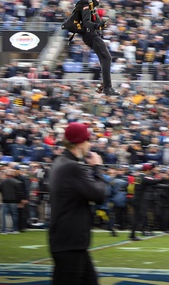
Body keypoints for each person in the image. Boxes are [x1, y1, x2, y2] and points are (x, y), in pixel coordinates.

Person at [48, 122, 108, 285]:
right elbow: (99, 194)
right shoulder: (72, 167)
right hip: (70, 240)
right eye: (88, 140)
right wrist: (97, 168)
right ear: (80, 142)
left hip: (68, 240)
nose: (90, 144)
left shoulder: (60, 162)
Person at [62, 0, 116, 96]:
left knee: (104, 59)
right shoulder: (86, 6)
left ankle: (106, 85)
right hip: (90, 35)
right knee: (107, 57)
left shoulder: (90, 8)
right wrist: (97, 25)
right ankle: (107, 87)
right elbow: (86, 23)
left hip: (92, 35)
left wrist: (100, 26)